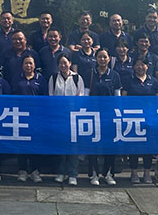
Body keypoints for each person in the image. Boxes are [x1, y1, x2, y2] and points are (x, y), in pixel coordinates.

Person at [122, 56, 158, 184]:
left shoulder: (153, 81)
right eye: (137, 65)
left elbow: (157, 99)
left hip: (149, 118)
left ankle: (147, 172)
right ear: (133, 67)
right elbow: (124, 99)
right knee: (134, 146)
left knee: (148, 146)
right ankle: (134, 172)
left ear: (147, 66)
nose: (140, 67)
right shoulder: (128, 80)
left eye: (143, 65)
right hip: (133, 117)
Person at [49, 53, 85, 186]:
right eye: (61, 63)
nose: (63, 65)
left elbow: (81, 96)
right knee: (60, 145)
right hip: (59, 117)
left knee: (73, 147)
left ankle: (73, 174)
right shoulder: (53, 77)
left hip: (73, 117)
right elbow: (50, 96)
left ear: (70, 63)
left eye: (65, 62)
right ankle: (61, 172)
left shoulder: (77, 78)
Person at [12, 55, 47, 182]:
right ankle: (22, 170)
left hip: (36, 117)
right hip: (20, 116)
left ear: (34, 65)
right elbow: (12, 95)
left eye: (31, 63)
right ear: (22, 65)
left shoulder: (40, 79)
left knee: (35, 144)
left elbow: (45, 97)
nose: (28, 66)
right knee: (21, 144)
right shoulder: (16, 78)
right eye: (26, 63)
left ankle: (35, 171)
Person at [89, 48, 122, 186]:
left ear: (109, 59)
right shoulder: (91, 73)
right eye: (100, 57)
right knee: (93, 146)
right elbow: (86, 94)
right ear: (96, 59)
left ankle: (108, 173)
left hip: (109, 116)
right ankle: (94, 174)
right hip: (93, 115)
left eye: (105, 57)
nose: (102, 59)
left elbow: (117, 96)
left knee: (110, 145)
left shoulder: (114, 75)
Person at [70, 30, 97, 95]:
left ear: (92, 40)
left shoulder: (96, 54)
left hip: (95, 85)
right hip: (81, 86)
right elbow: (75, 71)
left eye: (88, 39)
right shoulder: (76, 54)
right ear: (80, 41)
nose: (86, 41)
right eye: (83, 39)